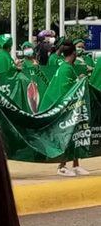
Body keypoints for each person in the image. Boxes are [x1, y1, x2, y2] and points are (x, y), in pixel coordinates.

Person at [38, 41, 88, 177]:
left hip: (68, 107)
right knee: (67, 135)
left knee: (75, 135)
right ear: (74, 54)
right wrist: (80, 81)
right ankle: (62, 166)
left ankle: (76, 165)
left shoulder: (67, 67)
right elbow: (67, 90)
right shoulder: (66, 68)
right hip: (62, 108)